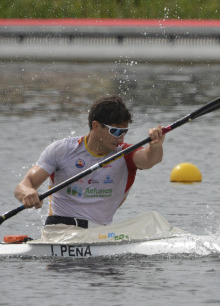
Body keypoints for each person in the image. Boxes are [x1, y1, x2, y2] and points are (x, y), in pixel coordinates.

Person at [14, 95, 165, 229]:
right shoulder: (61, 150)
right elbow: (24, 185)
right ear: (96, 126)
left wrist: (156, 145)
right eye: (116, 131)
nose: (121, 138)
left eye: (124, 132)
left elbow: (149, 160)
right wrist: (28, 193)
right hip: (59, 229)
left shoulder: (125, 153)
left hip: (98, 233)